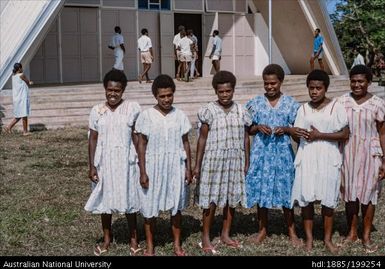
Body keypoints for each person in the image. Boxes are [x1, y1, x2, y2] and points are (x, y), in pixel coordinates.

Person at [290, 69, 349, 253]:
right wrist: (296, 134)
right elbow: (298, 134)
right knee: (306, 199)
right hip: (307, 155)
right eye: (311, 88)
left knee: (327, 200)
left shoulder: (336, 107)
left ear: (326, 88)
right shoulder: (303, 109)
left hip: (328, 156)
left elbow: (345, 134)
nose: (314, 91)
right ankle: (309, 239)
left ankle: (327, 239)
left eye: (318, 88)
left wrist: (319, 135)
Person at [193, 70, 252, 254]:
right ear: (216, 91)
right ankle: (206, 236)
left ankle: (226, 234)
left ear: (233, 90)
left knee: (230, 198)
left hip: (235, 159)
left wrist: (247, 161)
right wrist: (197, 164)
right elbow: (201, 139)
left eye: (228, 91)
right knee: (210, 198)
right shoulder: (208, 111)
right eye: (221, 92)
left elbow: (245, 138)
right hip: (213, 160)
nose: (225, 95)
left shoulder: (242, 111)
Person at [84, 69, 141, 256]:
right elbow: (92, 138)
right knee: (105, 199)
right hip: (104, 161)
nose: (113, 94)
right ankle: (107, 239)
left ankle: (134, 238)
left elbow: (136, 137)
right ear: (105, 89)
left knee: (129, 197)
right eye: (109, 90)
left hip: (126, 161)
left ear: (123, 90)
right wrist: (92, 165)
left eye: (117, 90)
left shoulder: (132, 108)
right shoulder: (97, 110)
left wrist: (141, 163)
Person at [245, 64, 302, 246]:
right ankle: (262, 230)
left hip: (283, 154)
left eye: (273, 83)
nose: (270, 87)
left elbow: (297, 130)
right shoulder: (254, 103)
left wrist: (285, 129)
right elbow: (248, 129)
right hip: (261, 154)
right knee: (261, 190)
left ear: (281, 82)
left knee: (286, 190)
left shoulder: (291, 104)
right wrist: (257, 127)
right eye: (266, 83)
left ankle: (292, 231)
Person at [135, 74, 192, 256]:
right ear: (156, 96)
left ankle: (177, 244)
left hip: (175, 165)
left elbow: (185, 142)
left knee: (176, 206)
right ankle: (150, 246)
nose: (166, 99)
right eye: (162, 96)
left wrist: (188, 168)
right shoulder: (146, 116)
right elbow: (141, 145)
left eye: (169, 95)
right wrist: (143, 171)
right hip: (154, 166)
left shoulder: (180, 115)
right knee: (150, 206)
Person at [338, 65, 385, 253]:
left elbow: (383, 133)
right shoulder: (341, 102)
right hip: (347, 153)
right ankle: (352, 232)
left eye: (361, 81)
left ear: (369, 82)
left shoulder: (378, 104)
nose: (357, 85)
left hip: (370, 154)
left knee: (368, 195)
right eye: (354, 81)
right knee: (350, 195)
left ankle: (366, 235)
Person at [3, 63, 33, 136]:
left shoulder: (13, 76)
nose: (22, 69)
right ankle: (25, 132)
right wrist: (31, 82)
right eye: (21, 68)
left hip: (16, 98)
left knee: (18, 116)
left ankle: (8, 127)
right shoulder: (21, 75)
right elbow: (28, 82)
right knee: (24, 115)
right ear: (19, 68)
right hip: (22, 97)